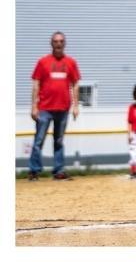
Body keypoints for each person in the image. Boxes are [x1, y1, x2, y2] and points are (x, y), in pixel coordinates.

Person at [28, 31, 80, 181]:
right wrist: (34, 106)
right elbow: (36, 83)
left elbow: (76, 84)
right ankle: (34, 171)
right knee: (39, 140)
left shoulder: (71, 62)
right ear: (51, 43)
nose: (59, 44)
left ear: (65, 43)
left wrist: (76, 105)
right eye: (56, 41)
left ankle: (59, 171)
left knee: (59, 140)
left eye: (61, 41)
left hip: (63, 109)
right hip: (44, 109)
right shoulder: (43, 62)